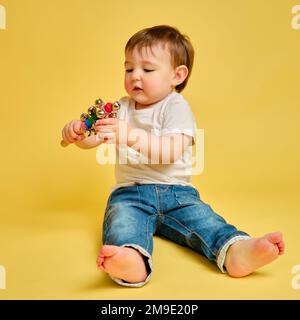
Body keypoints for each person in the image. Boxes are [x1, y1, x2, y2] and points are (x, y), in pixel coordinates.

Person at [61, 25, 285, 287]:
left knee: (205, 221)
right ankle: (131, 258)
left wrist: (129, 135)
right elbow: (96, 137)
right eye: (129, 68)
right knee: (121, 221)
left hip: (177, 193)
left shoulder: (176, 106)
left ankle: (236, 251)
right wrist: (77, 135)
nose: (135, 76)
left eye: (147, 69)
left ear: (176, 75)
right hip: (130, 193)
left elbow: (169, 153)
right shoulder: (120, 107)